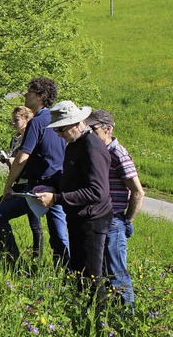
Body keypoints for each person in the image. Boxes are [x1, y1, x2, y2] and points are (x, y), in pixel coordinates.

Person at [35, 101, 113, 305]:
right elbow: (75, 180)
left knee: (92, 275)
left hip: (93, 220)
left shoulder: (92, 148)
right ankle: (81, 313)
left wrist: (57, 199)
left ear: (76, 123)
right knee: (79, 272)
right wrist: (54, 189)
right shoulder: (75, 145)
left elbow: (97, 191)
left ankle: (100, 319)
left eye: (61, 129)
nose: (59, 134)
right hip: (78, 216)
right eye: (56, 129)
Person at [0, 77, 70, 265]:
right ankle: (68, 272)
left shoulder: (37, 122)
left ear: (41, 96)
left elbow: (21, 159)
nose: (25, 94)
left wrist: (7, 188)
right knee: (59, 235)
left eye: (30, 91)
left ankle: (13, 263)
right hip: (57, 186)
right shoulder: (57, 120)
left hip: (38, 188)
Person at [86, 109, 144, 307]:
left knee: (117, 272)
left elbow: (137, 191)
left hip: (114, 220)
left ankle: (127, 316)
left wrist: (126, 220)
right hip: (99, 219)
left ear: (107, 129)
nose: (89, 133)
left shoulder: (118, 153)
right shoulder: (98, 151)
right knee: (100, 269)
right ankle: (106, 309)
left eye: (93, 129)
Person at [0, 106, 43, 259]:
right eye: (12, 121)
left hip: (28, 184)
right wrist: (9, 161)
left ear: (27, 120)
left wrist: (16, 162)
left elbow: (28, 161)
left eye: (17, 120)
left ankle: (34, 255)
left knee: (34, 222)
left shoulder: (31, 138)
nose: (13, 124)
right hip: (17, 183)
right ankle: (6, 250)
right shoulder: (15, 139)